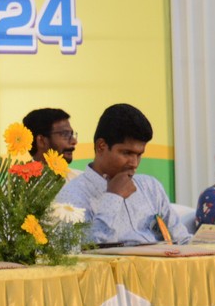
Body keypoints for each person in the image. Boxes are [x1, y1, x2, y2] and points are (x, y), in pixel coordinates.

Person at [56, 103, 189, 246]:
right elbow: (81, 250)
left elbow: (182, 240)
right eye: (127, 153)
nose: (134, 163)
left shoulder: (150, 187)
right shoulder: (72, 197)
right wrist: (113, 197)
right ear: (101, 146)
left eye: (139, 154)